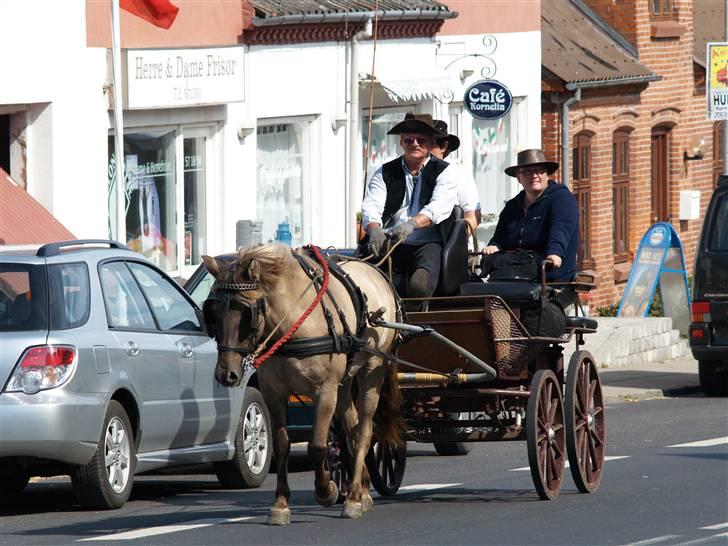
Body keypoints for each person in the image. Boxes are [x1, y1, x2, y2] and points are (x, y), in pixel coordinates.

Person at [360, 113, 459, 301]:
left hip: (427, 243)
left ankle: (416, 319)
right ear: (401, 142)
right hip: (388, 242)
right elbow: (372, 205)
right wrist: (374, 230)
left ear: (430, 143)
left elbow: (439, 206)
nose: (415, 143)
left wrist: (411, 225)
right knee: (361, 284)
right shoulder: (384, 172)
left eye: (421, 139)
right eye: (409, 139)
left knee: (419, 284)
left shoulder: (446, 171)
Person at [483, 149, 579, 282]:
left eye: (539, 170)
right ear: (518, 178)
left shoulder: (562, 199)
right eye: (527, 172)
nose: (534, 175)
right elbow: (499, 238)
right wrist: (493, 246)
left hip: (551, 279)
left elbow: (561, 229)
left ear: (547, 174)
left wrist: (555, 253)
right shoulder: (512, 206)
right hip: (514, 277)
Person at [431, 120, 482, 235]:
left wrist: (454, 243)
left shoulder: (459, 173)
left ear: (443, 146)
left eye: (428, 144)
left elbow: (474, 216)